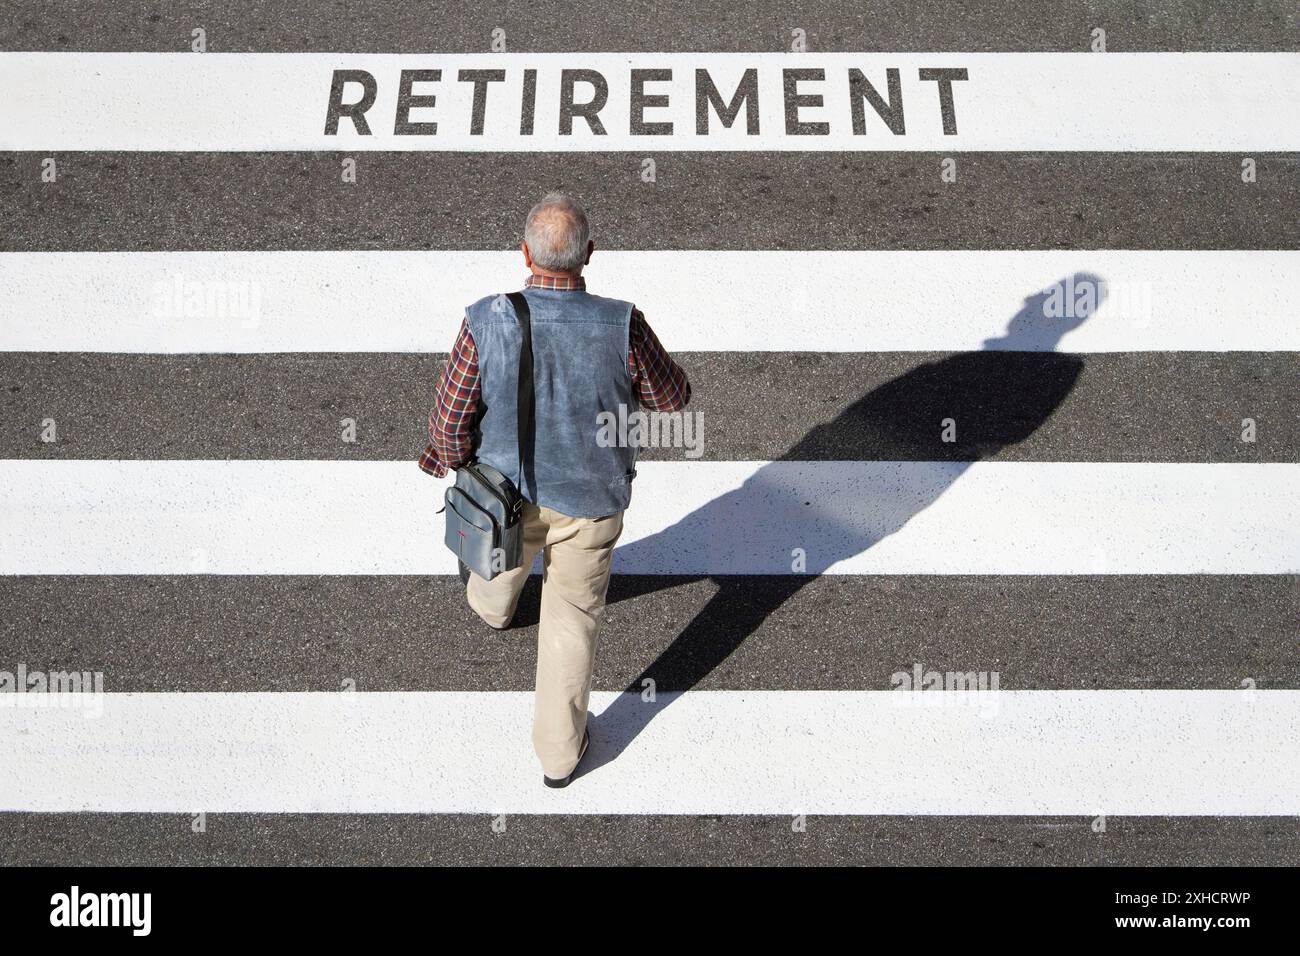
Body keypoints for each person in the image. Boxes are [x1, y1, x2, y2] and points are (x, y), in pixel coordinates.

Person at [418, 192, 691, 787]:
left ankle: (492, 608)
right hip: (591, 497)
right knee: (569, 622)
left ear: (524, 254)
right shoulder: (623, 324)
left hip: (505, 490)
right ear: (589, 255)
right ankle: (559, 755)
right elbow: (673, 399)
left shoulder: (484, 319)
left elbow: (449, 418)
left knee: (500, 559)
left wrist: (451, 458)